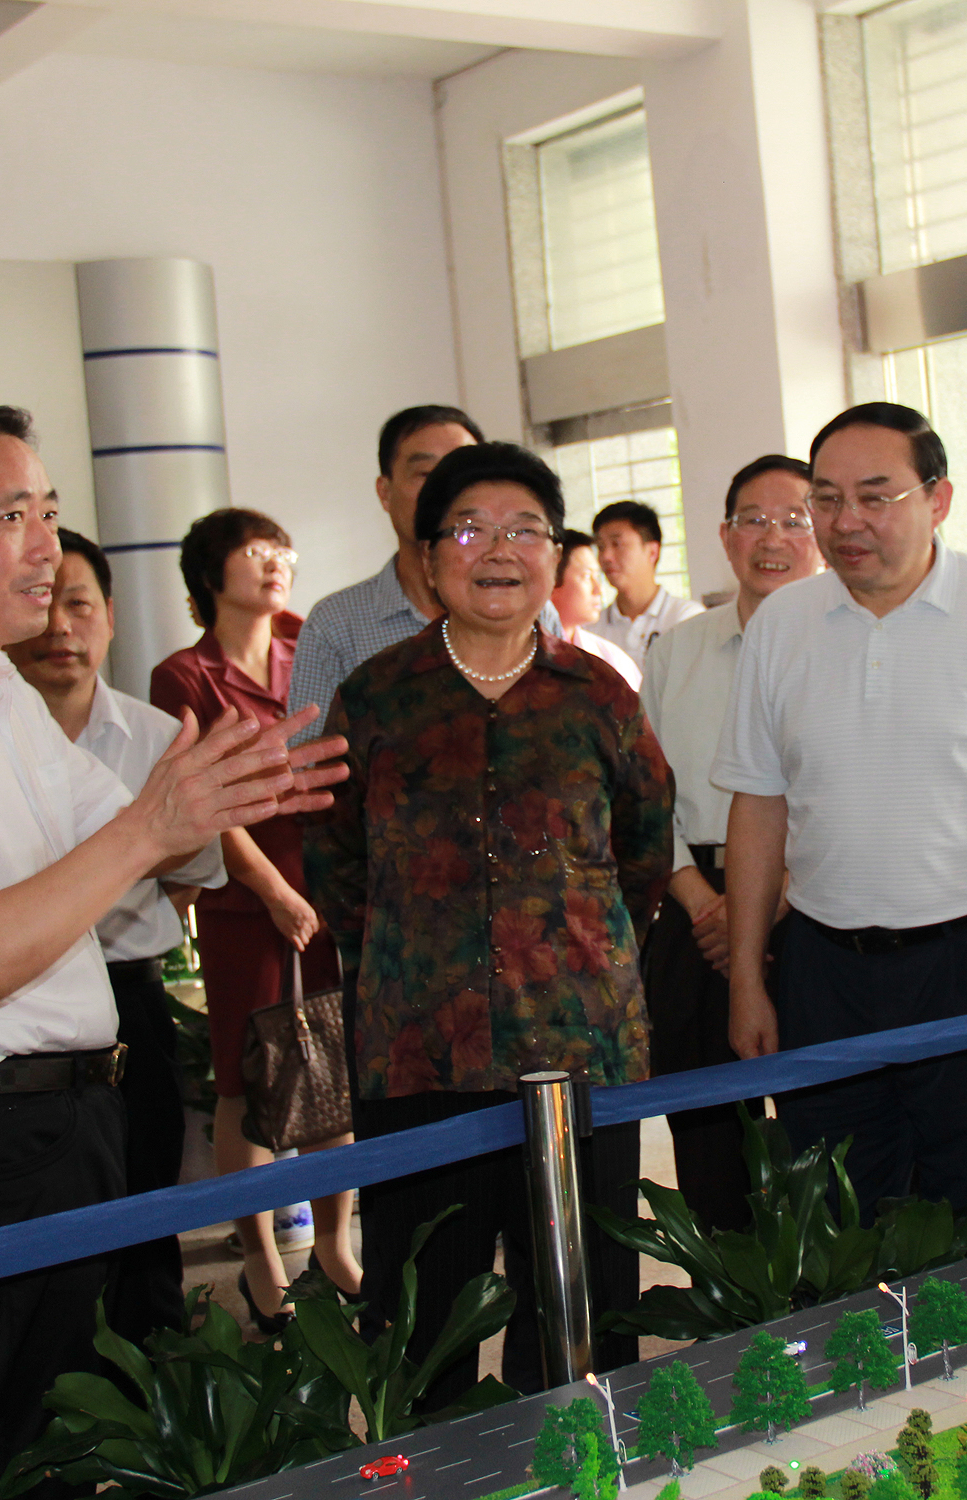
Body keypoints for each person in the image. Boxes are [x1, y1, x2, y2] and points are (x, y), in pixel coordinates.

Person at [0, 403, 345, 1500]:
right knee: (15, 1461)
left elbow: (130, 832)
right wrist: (153, 827)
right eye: (11, 517)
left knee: (76, 1444)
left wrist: (222, 798)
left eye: (47, 512)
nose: (46, 545)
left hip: (60, 1122)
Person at [306, 441, 672, 1405]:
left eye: (525, 530)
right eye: (469, 530)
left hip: (577, 1049)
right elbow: (335, 863)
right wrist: (410, 964)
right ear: (429, 559)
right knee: (421, 1322)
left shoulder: (599, 695)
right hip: (418, 1053)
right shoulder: (376, 697)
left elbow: (642, 852)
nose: (498, 550)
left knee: (580, 1318)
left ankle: (579, 1465)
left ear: (555, 555)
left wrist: (573, 953)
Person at [714, 403, 967, 1220]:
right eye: (825, 500)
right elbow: (758, 808)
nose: (846, 521)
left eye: (875, 496)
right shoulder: (783, 624)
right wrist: (748, 978)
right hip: (825, 970)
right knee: (840, 1215)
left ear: (937, 499)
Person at [2, 529, 226, 1345]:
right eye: (44, 603)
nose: (61, 626)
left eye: (79, 604)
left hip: (126, 995)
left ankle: (153, 1368)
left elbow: (192, 869)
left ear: (109, 616)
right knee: (36, 1224)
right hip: (9, 1007)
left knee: (144, 1201)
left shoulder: (159, 738)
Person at [148, 509, 360, 1331]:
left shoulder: (313, 645)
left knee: (333, 1070)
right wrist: (272, 890)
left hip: (329, 883)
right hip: (245, 899)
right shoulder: (184, 676)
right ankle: (262, 1261)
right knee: (249, 1080)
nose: (274, 562)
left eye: (280, 548)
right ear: (211, 575)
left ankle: (336, 1244)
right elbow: (202, 802)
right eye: (252, 550)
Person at [637, 455, 824, 1233]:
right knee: (710, 1136)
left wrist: (769, 900)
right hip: (694, 908)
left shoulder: (849, 643)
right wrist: (701, 900)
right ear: (724, 535)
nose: (772, 538)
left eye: (795, 520)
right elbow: (643, 797)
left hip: (817, 905)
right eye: (754, 520)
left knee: (823, 1124)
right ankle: (729, 1283)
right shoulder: (675, 651)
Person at [287, 405, 483, 722]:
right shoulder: (335, 625)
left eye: (463, 473)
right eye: (425, 474)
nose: (445, 490)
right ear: (385, 492)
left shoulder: (528, 610)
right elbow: (312, 749)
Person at [583, 500, 703, 666]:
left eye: (617, 544)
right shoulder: (591, 629)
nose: (606, 556)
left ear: (652, 552)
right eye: (601, 547)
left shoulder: (687, 619)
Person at [550, 528, 641, 689]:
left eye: (597, 577)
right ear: (549, 580)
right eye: (586, 576)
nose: (598, 589)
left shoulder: (612, 660)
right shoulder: (517, 654)